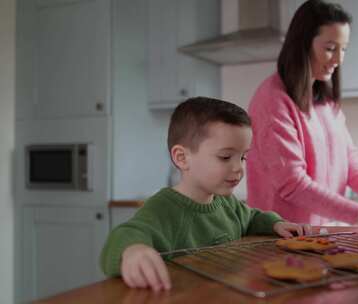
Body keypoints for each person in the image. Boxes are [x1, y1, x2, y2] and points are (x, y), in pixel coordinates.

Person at [100, 97, 312, 291]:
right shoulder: (163, 209)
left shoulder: (227, 203)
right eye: (225, 157)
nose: (238, 168)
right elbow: (124, 235)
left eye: (243, 157)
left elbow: (252, 218)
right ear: (182, 158)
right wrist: (133, 251)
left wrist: (275, 223)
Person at [246, 0, 358, 228]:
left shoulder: (325, 102)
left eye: (343, 48)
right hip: (281, 238)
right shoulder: (272, 100)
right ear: (303, 44)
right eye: (330, 48)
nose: (339, 60)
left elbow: (350, 163)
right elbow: (293, 184)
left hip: (317, 234)